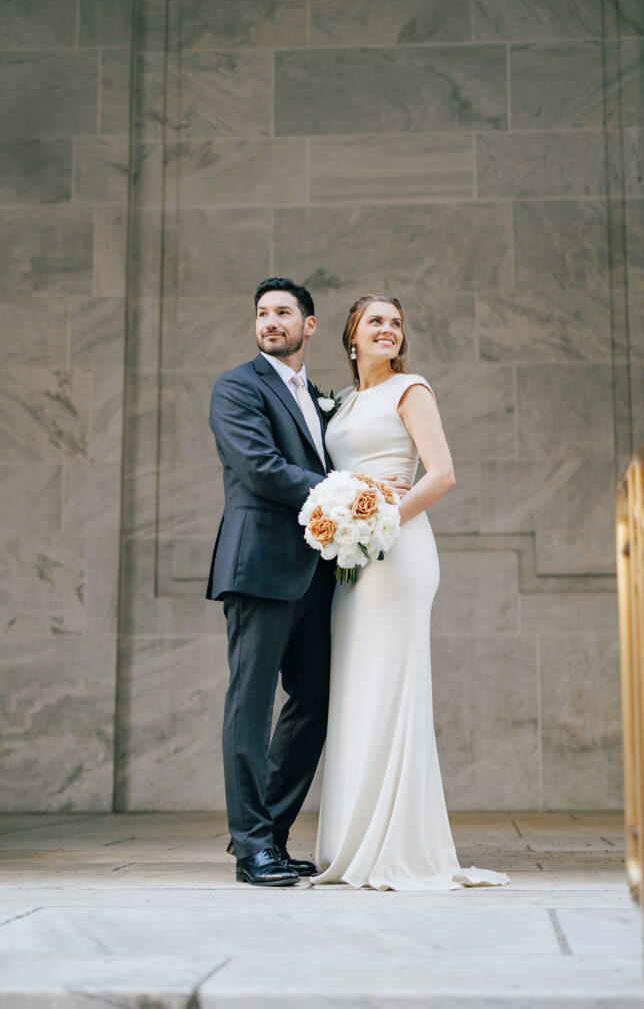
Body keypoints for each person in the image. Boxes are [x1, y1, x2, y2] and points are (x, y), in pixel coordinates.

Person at [312, 294, 510, 891]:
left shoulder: (411, 389)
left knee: (391, 684)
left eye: (396, 324)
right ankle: (353, 840)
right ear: (351, 335)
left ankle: (396, 845)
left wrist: (381, 514)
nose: (388, 330)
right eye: (375, 321)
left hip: (399, 551)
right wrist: (345, 512)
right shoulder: (341, 403)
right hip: (353, 555)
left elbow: (442, 473)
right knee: (356, 684)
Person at [206, 277, 335, 886]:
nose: (271, 321)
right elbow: (260, 469)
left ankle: (274, 837)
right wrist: (345, 494)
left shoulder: (316, 395)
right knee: (250, 708)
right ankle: (250, 847)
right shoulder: (237, 386)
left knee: (314, 701)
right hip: (258, 566)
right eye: (262, 313)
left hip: (317, 571)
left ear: (309, 326)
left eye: (284, 313)